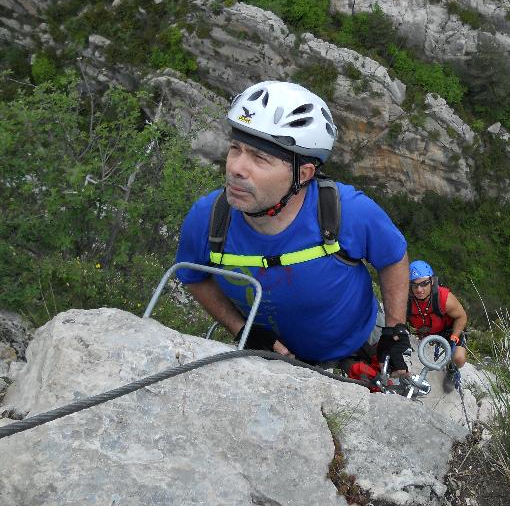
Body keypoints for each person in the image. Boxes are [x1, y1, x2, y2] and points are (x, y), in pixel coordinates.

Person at [174, 80, 411, 379]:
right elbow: (193, 277)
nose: (236, 167)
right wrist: (241, 330)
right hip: (274, 362)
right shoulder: (208, 219)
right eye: (236, 148)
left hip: (362, 346)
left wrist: (395, 329)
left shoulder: (347, 212)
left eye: (260, 158)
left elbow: (392, 257)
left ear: (303, 173)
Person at [406, 260, 468, 391]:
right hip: (426, 330)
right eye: (414, 285)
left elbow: (461, 316)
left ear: (432, 281)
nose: (419, 289)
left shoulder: (444, 298)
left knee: (459, 358)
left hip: (449, 329)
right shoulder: (405, 300)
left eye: (424, 284)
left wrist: (455, 337)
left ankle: (451, 370)